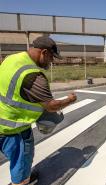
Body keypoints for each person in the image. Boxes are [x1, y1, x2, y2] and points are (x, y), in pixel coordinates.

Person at [0, 36, 77, 185]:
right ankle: (22, 180)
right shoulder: (33, 76)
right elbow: (51, 106)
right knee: (20, 165)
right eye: (51, 57)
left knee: (16, 160)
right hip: (13, 130)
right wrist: (70, 100)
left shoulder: (11, 58)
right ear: (44, 52)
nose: (51, 61)